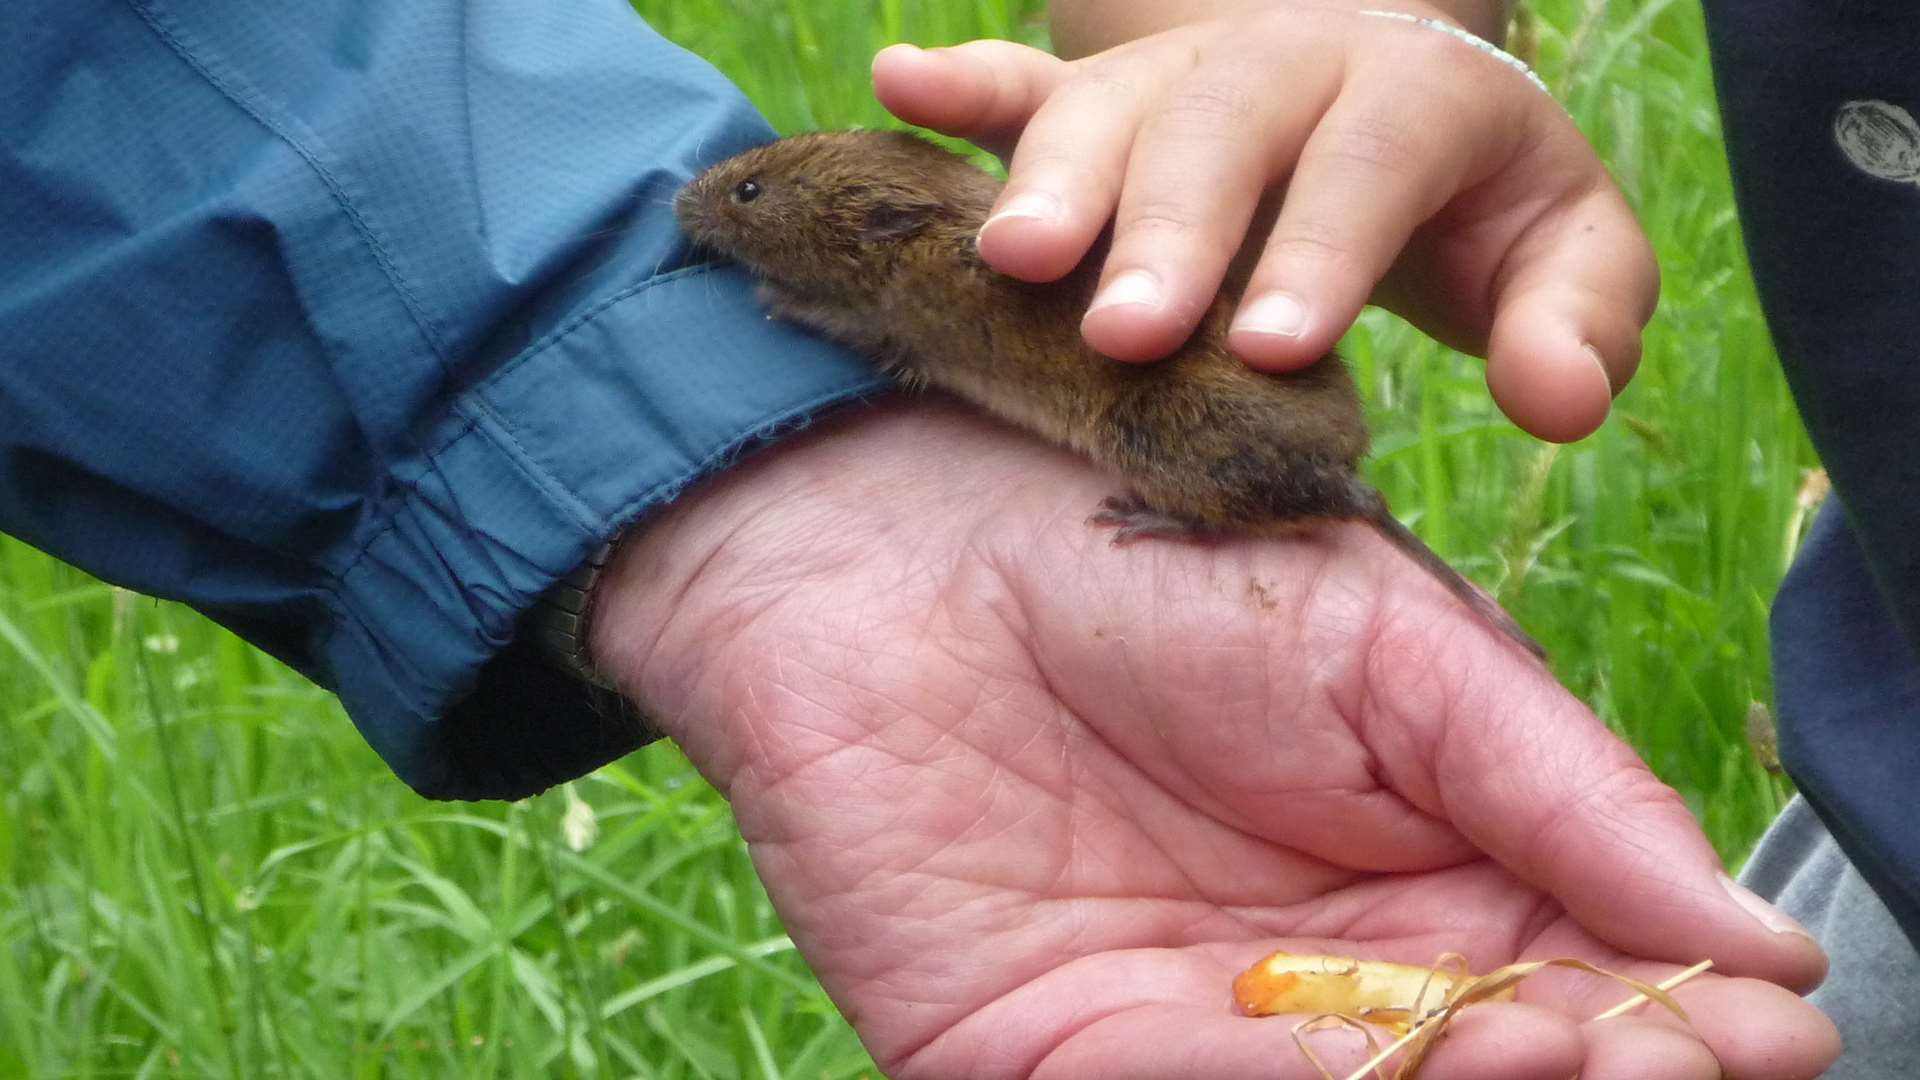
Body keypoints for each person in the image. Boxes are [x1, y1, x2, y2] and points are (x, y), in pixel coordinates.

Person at [0, 0, 1848, 1075]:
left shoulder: (912, 291)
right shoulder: (914, 277)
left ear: (875, 253)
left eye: (743, 215)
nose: (714, 222)